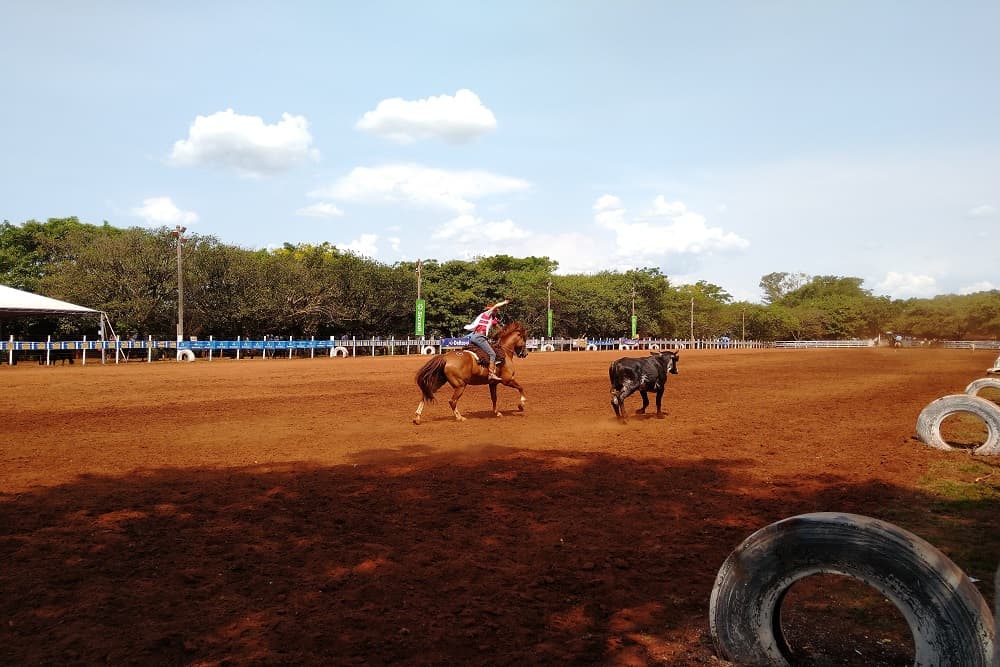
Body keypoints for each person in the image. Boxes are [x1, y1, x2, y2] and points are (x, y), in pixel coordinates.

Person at [463, 299, 509, 380]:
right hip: (479, 337)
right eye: (495, 311)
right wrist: (504, 303)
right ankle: (491, 373)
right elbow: (496, 305)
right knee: (492, 354)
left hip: (474, 336)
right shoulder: (486, 314)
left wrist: (504, 331)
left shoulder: (490, 318)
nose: (496, 312)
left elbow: (496, 326)